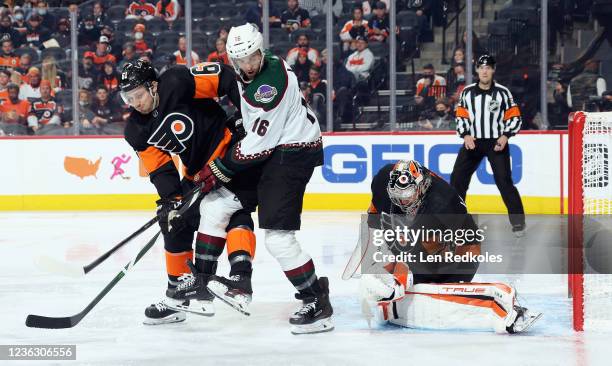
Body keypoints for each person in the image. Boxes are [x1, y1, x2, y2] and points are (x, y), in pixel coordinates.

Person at [195, 23, 333, 335]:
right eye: (241, 60)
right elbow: (255, 126)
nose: (248, 65)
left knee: (278, 238)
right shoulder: (261, 68)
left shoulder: (268, 85)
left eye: (253, 57)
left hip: (292, 153)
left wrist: (219, 168)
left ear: (261, 51)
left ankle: (316, 300)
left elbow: (259, 144)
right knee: (215, 207)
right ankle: (201, 285)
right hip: (275, 148)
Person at [119, 59, 258, 325]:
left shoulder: (177, 81)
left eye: (138, 95)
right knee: (173, 222)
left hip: (231, 153)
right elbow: (160, 168)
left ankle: (240, 278)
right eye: (129, 97)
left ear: (153, 87)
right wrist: (171, 200)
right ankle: (178, 297)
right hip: (197, 172)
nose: (134, 103)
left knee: (232, 209)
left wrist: (248, 116)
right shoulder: (136, 129)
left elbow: (225, 78)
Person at [353, 160, 541, 333]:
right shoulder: (383, 181)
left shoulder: (444, 204)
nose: (401, 203)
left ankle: (501, 302)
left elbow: (468, 246)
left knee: (422, 273)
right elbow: (374, 221)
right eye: (397, 197)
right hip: (415, 239)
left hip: (452, 252)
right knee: (391, 282)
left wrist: (454, 282)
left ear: (421, 187)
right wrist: (377, 262)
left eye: (407, 197)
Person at [451, 55, 525, 235]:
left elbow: (514, 116)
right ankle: (454, 222)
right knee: (457, 180)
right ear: (476, 70)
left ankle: (518, 223)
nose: (484, 71)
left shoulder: (503, 92)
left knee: (504, 182)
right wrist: (466, 134)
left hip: (496, 143)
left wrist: (506, 135)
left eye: (488, 67)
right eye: (481, 67)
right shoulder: (467, 92)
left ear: (493, 70)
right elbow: (461, 116)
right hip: (473, 142)